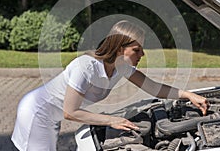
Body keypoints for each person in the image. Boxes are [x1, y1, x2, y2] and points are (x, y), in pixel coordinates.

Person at [11, 20, 209, 151]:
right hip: (36, 112)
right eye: (136, 49)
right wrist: (110, 120)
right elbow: (70, 112)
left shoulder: (121, 68)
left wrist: (189, 95)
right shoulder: (85, 67)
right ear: (119, 48)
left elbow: (154, 88)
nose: (142, 55)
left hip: (51, 117)